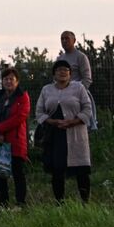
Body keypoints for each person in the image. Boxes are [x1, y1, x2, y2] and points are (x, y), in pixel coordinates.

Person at [35, 59, 94, 203]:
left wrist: (73, 121)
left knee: (81, 170)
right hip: (55, 135)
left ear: (70, 74)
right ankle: (59, 202)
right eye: (59, 70)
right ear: (54, 74)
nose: (62, 73)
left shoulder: (79, 89)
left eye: (65, 70)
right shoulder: (46, 90)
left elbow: (87, 110)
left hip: (75, 135)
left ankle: (85, 202)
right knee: (57, 170)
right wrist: (52, 121)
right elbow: (39, 112)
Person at [0, 66, 30, 208]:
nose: (8, 81)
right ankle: (3, 205)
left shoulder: (22, 96)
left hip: (16, 140)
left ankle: (20, 203)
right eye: (6, 79)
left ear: (17, 81)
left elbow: (20, 117)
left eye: (11, 79)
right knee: (0, 175)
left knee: (18, 173)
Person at [58, 30, 96, 130]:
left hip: (78, 97)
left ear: (74, 40)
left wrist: (75, 92)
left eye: (67, 38)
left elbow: (87, 79)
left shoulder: (81, 57)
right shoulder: (60, 59)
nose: (64, 41)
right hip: (61, 97)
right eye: (62, 39)